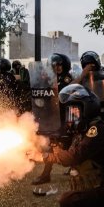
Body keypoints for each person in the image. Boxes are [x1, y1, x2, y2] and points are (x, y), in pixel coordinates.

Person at [32, 53, 73, 185]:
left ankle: (77, 168)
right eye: (54, 65)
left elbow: (66, 89)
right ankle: (46, 174)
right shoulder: (49, 79)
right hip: (53, 117)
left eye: (59, 64)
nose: (57, 67)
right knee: (49, 146)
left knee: (71, 144)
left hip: (66, 116)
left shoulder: (67, 78)